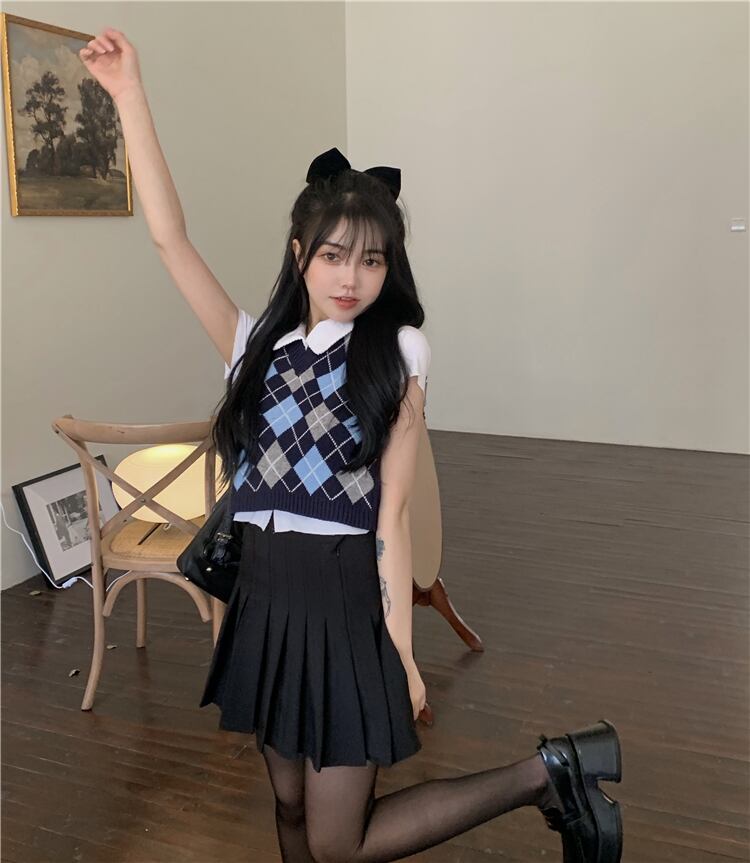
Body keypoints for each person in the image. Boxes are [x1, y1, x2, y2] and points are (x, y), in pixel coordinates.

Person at [79, 28, 624, 863]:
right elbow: (169, 239)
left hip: (343, 603)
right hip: (264, 599)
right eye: (334, 255)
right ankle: (547, 775)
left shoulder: (398, 352)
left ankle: (543, 775)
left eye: (371, 260)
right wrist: (128, 95)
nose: (350, 277)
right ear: (300, 253)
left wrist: (400, 649)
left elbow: (391, 514)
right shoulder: (253, 345)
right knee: (289, 805)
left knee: (338, 840)